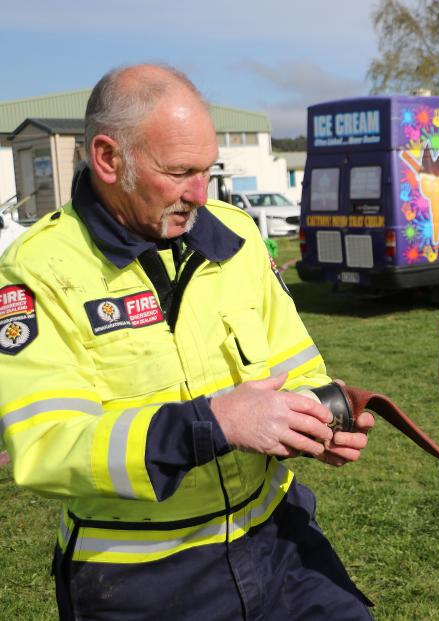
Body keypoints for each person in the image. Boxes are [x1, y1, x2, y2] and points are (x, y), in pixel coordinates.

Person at [0, 64, 375, 620]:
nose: (200, 194)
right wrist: (213, 424)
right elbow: (49, 446)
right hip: (140, 578)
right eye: (179, 172)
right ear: (108, 159)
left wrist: (314, 420)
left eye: (208, 170)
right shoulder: (37, 271)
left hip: (276, 535)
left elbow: (295, 364)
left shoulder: (239, 236)